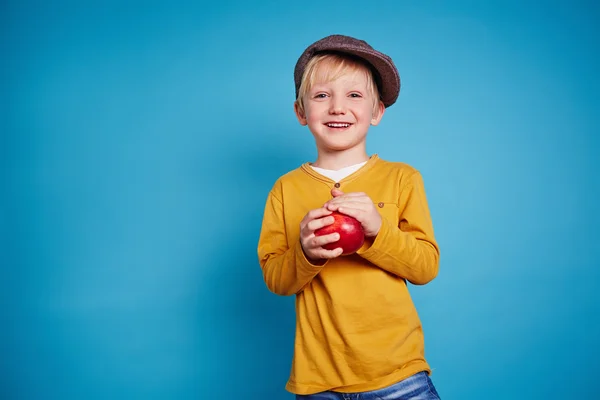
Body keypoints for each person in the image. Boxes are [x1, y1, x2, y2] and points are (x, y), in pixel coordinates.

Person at [257, 34, 441, 400]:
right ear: (300, 111)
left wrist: (377, 231)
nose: (338, 107)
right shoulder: (285, 188)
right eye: (322, 95)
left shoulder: (402, 179)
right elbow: (276, 279)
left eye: (354, 95)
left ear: (377, 112)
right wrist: (306, 253)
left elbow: (425, 267)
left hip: (398, 375)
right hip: (318, 381)